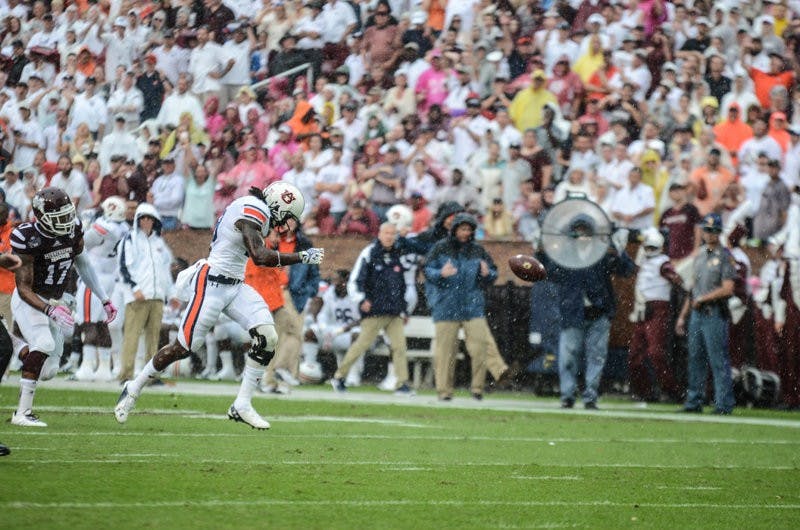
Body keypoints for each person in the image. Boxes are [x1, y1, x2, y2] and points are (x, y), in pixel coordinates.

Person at [114, 182, 324, 430]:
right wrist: (301, 256)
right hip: (212, 285)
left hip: (235, 286)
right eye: (288, 216)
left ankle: (242, 404)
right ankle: (134, 386)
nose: (288, 223)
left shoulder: (260, 213)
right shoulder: (252, 207)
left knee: (268, 337)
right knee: (183, 347)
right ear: (278, 205)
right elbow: (259, 256)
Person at [10, 187, 118, 426]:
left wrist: (104, 299)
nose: (66, 221)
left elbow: (84, 264)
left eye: (68, 214)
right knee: (45, 343)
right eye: (59, 218)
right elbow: (23, 288)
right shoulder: (27, 237)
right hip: (32, 299)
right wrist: (49, 310)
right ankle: (21, 413)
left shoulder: (74, 229)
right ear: (40, 217)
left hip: (56, 300)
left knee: (48, 371)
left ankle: (14, 343)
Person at [536, 224, 635, 409]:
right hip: (572, 312)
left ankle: (590, 396)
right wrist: (540, 251)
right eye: (579, 232)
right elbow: (548, 272)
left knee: (596, 356)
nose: (582, 236)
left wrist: (621, 251)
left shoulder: (602, 254)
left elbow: (625, 270)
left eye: (586, 232)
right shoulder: (566, 256)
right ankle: (567, 395)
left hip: (598, 312)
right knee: (567, 358)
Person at [330, 222, 414, 395]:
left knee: (399, 347)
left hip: (394, 311)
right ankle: (339, 376)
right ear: (380, 234)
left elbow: (402, 284)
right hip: (374, 310)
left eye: (393, 233)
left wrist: (404, 309)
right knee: (361, 345)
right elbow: (355, 280)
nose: (390, 236)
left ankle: (402, 383)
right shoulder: (370, 253)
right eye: (386, 233)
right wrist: (362, 299)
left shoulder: (399, 254)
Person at [424, 213, 498, 401]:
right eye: (462, 229)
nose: (465, 233)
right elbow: (427, 270)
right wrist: (441, 273)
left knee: (479, 348)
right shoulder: (440, 248)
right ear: (455, 230)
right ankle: (444, 391)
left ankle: (477, 388)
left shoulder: (478, 250)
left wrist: (487, 273)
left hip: (472, 305)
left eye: (469, 229)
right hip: (446, 305)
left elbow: (493, 271)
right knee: (445, 352)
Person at [676, 213, 737, 415]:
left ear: (719, 233)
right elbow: (693, 288)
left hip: (714, 313)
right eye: (706, 230)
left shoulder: (725, 256)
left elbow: (728, 288)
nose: (709, 234)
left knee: (718, 359)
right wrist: (682, 316)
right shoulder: (700, 255)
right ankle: (694, 400)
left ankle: (723, 403)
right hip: (697, 314)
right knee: (695, 357)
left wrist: (705, 298)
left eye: (713, 230)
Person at [116, 203, 174, 384]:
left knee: (153, 338)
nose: (146, 222)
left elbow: (165, 270)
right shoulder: (130, 239)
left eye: (149, 218)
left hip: (157, 296)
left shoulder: (159, 243)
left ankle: (151, 376)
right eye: (142, 218)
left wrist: (170, 294)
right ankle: (126, 374)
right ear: (137, 220)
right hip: (138, 296)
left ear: (155, 221)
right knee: (132, 336)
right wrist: (135, 288)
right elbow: (124, 266)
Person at [72, 196, 129, 382]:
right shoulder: (124, 228)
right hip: (110, 278)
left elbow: (83, 243)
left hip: (93, 277)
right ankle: (104, 367)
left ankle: (87, 366)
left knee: (88, 322)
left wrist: (86, 224)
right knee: (103, 324)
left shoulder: (105, 227)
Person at [628, 228, 685, 402]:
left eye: (653, 248)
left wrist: (676, 278)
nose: (650, 251)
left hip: (658, 309)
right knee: (634, 353)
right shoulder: (643, 260)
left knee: (655, 353)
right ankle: (644, 391)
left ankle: (672, 390)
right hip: (642, 308)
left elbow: (676, 278)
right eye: (647, 248)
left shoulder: (663, 262)